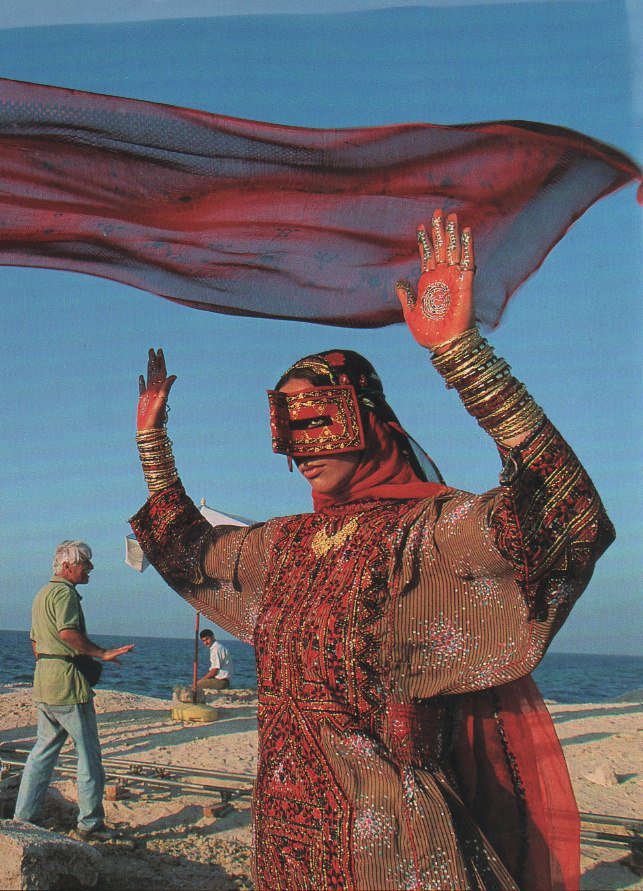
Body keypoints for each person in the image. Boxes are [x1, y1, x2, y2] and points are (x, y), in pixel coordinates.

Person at [130, 210, 614, 890]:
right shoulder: (285, 545)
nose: (300, 449)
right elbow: (190, 552)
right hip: (286, 840)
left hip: (394, 846)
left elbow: (560, 513)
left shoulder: (428, 536)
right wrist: (154, 447)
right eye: (287, 431)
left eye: (317, 420)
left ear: (369, 421)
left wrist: (462, 355)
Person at [14, 540, 134, 840]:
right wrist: (102, 653)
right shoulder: (65, 594)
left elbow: (35, 643)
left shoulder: (42, 594)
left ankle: (23, 819)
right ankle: (90, 825)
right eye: (86, 563)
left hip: (44, 683)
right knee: (89, 757)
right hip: (68, 686)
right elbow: (68, 634)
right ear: (67, 567)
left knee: (41, 753)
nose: (90, 568)